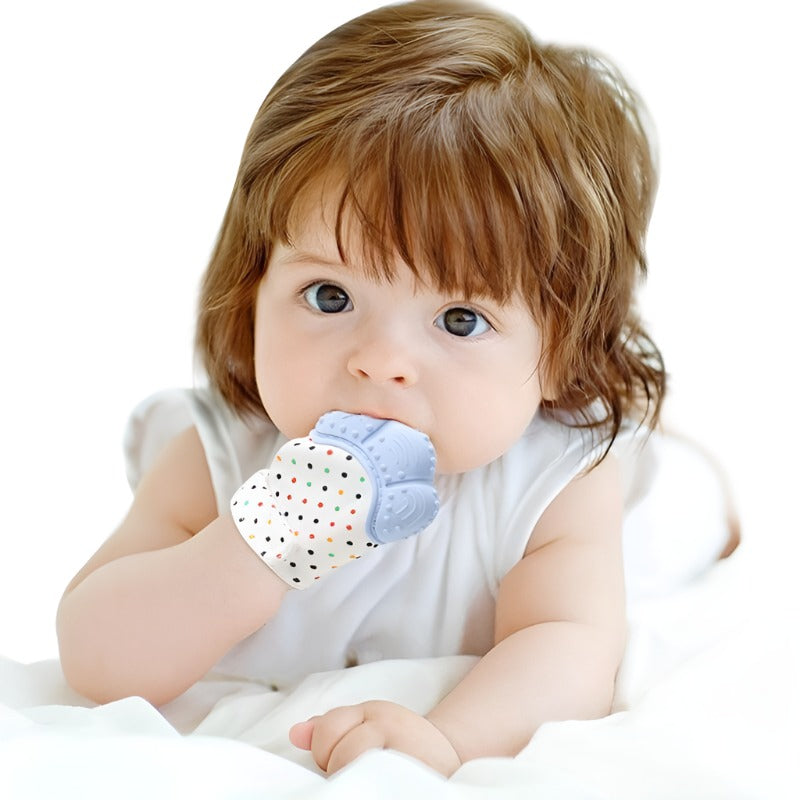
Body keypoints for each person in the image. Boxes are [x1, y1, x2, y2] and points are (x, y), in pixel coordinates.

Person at [55, 0, 735, 777]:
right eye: (330, 298)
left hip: (636, 506)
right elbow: (95, 654)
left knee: (689, 509)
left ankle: (672, 442)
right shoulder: (216, 458)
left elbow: (569, 647)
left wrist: (448, 741)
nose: (380, 363)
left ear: (559, 351)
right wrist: (250, 547)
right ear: (252, 291)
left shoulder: (557, 481)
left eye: (458, 318)